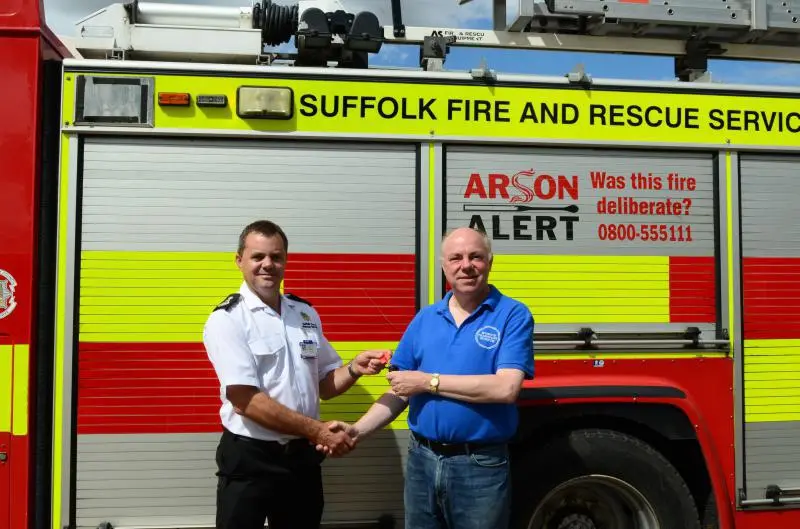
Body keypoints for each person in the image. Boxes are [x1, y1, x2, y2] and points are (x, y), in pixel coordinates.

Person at [343, 226, 534, 529]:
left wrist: (428, 382)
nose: (466, 265)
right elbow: (401, 390)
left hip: (479, 467)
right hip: (422, 461)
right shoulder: (426, 318)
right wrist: (356, 431)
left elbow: (506, 388)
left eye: (476, 257)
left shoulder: (512, 315)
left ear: (490, 261)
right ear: (445, 266)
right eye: (456, 258)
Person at [203, 219, 390, 529]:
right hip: (251, 458)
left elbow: (324, 385)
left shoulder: (303, 314)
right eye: (257, 257)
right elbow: (245, 401)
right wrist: (317, 431)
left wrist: (355, 368)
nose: (268, 265)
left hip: (302, 459)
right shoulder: (227, 320)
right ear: (239, 261)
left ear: (285, 261)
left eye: (276, 257)